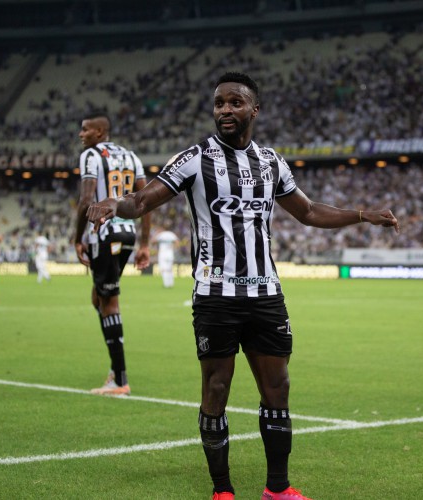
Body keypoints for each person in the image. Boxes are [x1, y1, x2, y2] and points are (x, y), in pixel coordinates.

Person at [86, 72, 400, 500]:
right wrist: (113, 204)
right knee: (216, 388)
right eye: (219, 104)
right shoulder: (194, 158)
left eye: (235, 103)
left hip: (265, 293)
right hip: (215, 295)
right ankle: (222, 489)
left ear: (255, 109)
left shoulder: (271, 162)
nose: (225, 111)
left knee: (278, 387)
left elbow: (307, 211)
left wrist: (362, 214)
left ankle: (277, 488)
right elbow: (143, 200)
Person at [72, 113, 151, 396]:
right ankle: (115, 369)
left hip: (104, 233)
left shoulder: (91, 156)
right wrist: (144, 243)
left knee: (109, 302)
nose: (81, 134)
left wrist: (77, 238)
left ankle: (120, 379)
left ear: (100, 132)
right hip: (127, 234)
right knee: (99, 297)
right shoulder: (131, 156)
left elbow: (85, 200)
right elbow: (144, 201)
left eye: (85, 130)